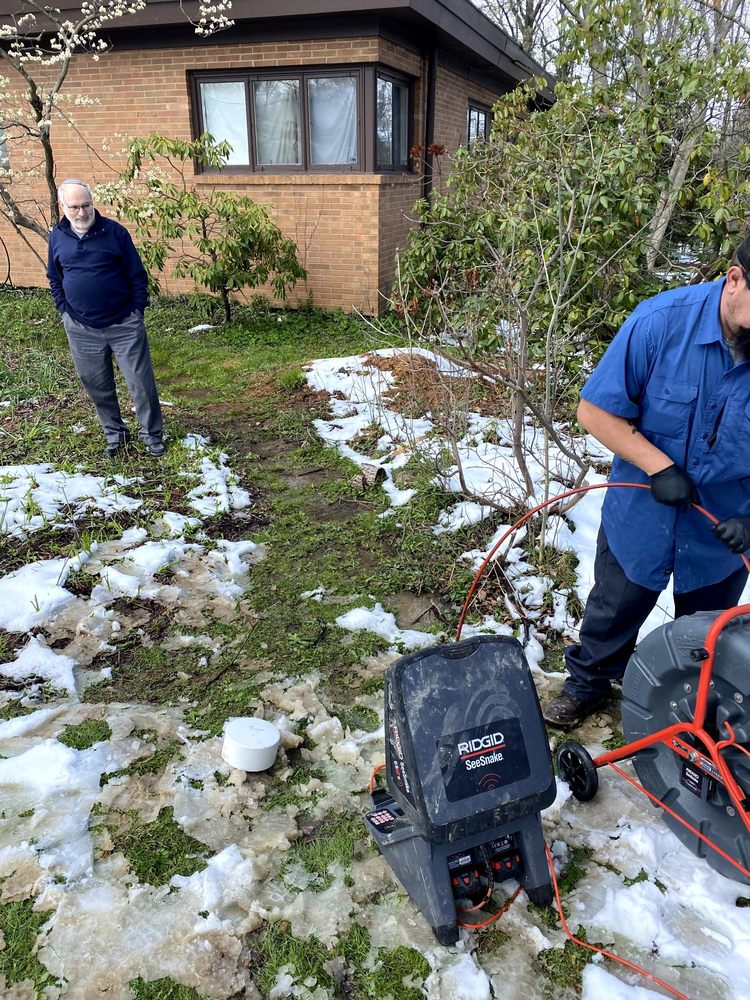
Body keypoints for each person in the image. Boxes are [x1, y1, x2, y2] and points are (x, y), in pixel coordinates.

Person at [543, 234, 750, 729]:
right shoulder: (659, 322)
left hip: (721, 530)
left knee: (705, 639)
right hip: (642, 513)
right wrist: (657, 465)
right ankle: (588, 684)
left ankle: (687, 715)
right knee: (613, 610)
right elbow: (594, 411)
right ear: (735, 280)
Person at [46, 179, 165, 458]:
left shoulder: (115, 233)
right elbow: (54, 276)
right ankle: (115, 435)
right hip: (80, 327)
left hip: (124, 323)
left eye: (86, 205)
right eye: (74, 206)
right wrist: (64, 309)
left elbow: (137, 274)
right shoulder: (57, 236)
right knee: (97, 386)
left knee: (141, 383)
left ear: (93, 203)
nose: (81, 212)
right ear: (63, 207)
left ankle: (152, 435)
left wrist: (136, 310)